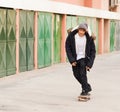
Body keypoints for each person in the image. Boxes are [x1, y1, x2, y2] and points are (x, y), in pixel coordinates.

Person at [65, 23, 96, 96]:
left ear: (85, 31)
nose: (81, 32)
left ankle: (84, 90)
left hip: (84, 59)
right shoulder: (71, 37)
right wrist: (71, 60)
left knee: (83, 74)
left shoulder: (89, 38)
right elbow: (68, 48)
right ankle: (87, 87)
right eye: (80, 30)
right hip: (75, 59)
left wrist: (89, 64)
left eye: (83, 30)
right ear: (78, 29)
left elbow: (93, 51)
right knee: (76, 74)